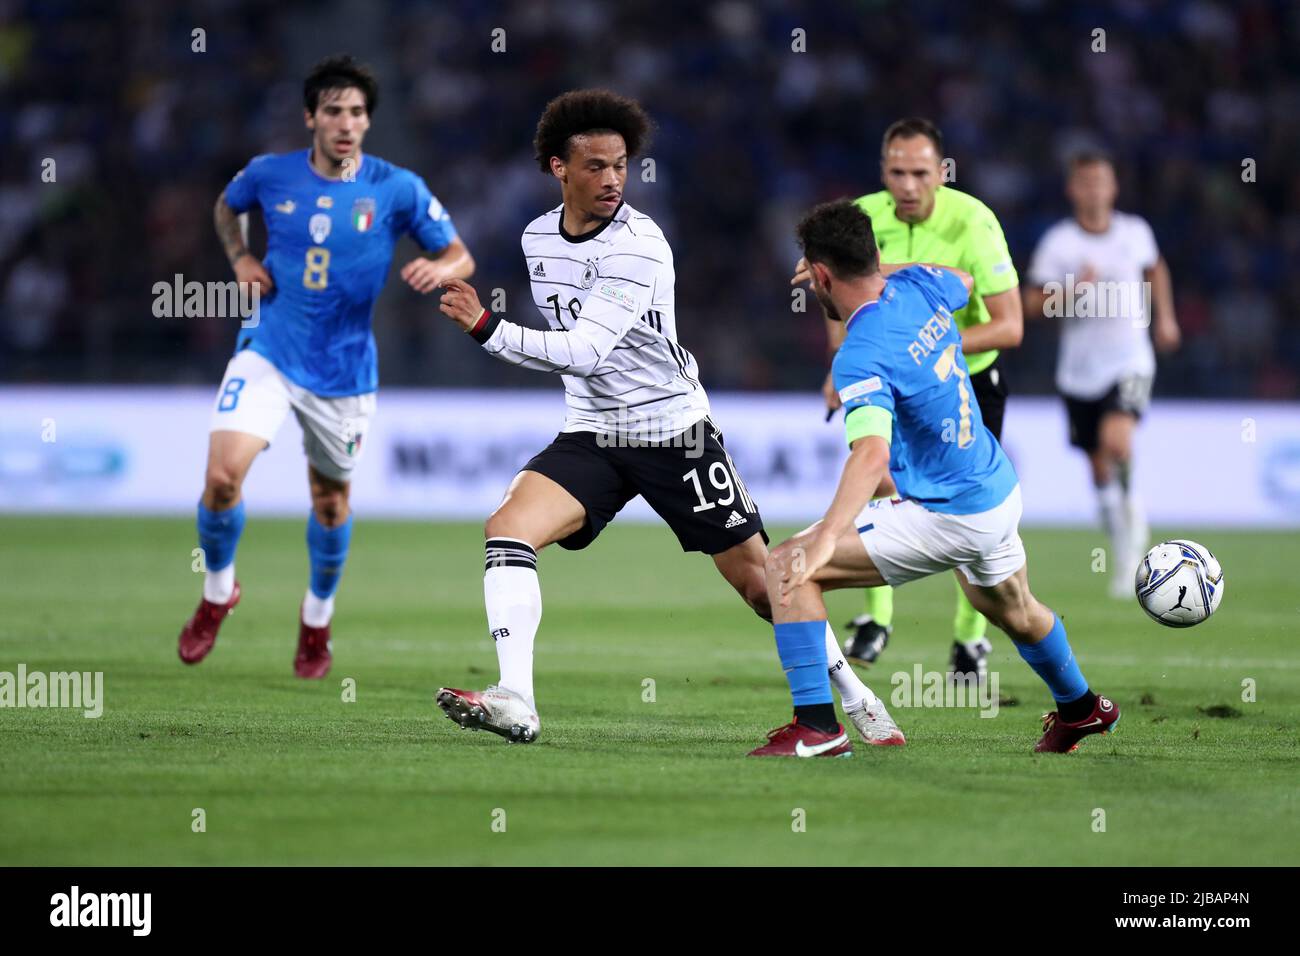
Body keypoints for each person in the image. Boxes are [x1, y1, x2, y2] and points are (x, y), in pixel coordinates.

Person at [432, 89, 899, 747]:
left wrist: (487, 327)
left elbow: (586, 350)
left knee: (765, 588)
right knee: (507, 529)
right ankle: (516, 697)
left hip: (671, 432)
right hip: (594, 431)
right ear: (557, 168)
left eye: (620, 164)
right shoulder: (538, 237)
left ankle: (854, 697)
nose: (611, 179)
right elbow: (580, 358)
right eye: (594, 166)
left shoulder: (640, 244)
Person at [754, 199, 1118, 757]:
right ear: (875, 257)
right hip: (995, 487)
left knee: (788, 566)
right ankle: (1081, 708)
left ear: (820, 276)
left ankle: (818, 728)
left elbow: (871, 455)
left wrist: (827, 534)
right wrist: (881, 270)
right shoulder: (921, 286)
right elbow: (965, 280)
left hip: (947, 510)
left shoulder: (860, 353)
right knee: (1011, 609)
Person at [177, 54, 475, 677]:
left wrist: (438, 269)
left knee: (331, 503)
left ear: (368, 122)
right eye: (334, 110)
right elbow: (225, 208)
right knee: (223, 478)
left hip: (344, 371)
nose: (346, 122)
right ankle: (216, 595)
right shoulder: (269, 175)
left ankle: (316, 620)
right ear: (310, 117)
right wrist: (239, 258)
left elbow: (459, 255)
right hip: (269, 347)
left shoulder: (397, 188)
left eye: (358, 112)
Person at [793, 118, 1022, 685]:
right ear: (882, 172)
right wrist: (837, 365)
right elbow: (841, 298)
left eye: (921, 172)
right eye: (897, 172)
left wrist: (921, 349)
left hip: (967, 384)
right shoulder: (863, 217)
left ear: (941, 172)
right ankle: (878, 618)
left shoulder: (974, 221)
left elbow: (1010, 326)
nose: (908, 185)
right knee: (883, 481)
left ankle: (970, 639)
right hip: (893, 383)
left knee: (959, 508)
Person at [1025, 151, 1180, 596]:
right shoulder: (1059, 243)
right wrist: (1070, 294)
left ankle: (1135, 538)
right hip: (1079, 372)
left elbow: (1157, 270)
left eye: (1102, 182)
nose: (1094, 190)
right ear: (1072, 189)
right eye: (1085, 182)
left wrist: (1164, 317)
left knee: (1117, 441)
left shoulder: (1135, 233)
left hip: (1130, 359)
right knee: (1097, 467)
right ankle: (1123, 543)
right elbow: (1030, 305)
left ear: (1113, 188)